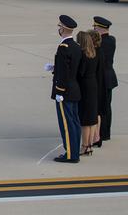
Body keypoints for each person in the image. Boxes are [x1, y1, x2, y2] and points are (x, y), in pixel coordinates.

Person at [47, 15, 82, 163]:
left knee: (67, 124)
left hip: (65, 91)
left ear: (63, 29)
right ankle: (74, 151)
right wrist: (54, 68)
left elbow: (64, 73)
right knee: (74, 122)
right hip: (74, 89)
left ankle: (70, 155)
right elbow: (70, 69)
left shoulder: (63, 48)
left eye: (59, 27)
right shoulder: (75, 46)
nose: (59, 29)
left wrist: (59, 91)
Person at [76, 30, 100, 157]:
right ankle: (90, 145)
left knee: (85, 120)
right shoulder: (94, 53)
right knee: (91, 119)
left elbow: (81, 73)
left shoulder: (82, 55)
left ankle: (85, 146)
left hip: (85, 87)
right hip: (93, 85)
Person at [94, 16, 117, 144]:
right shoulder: (112, 40)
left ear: (100, 28)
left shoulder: (98, 43)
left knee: (99, 108)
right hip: (109, 77)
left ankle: (100, 134)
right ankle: (106, 133)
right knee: (107, 106)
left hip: (100, 78)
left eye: (95, 27)